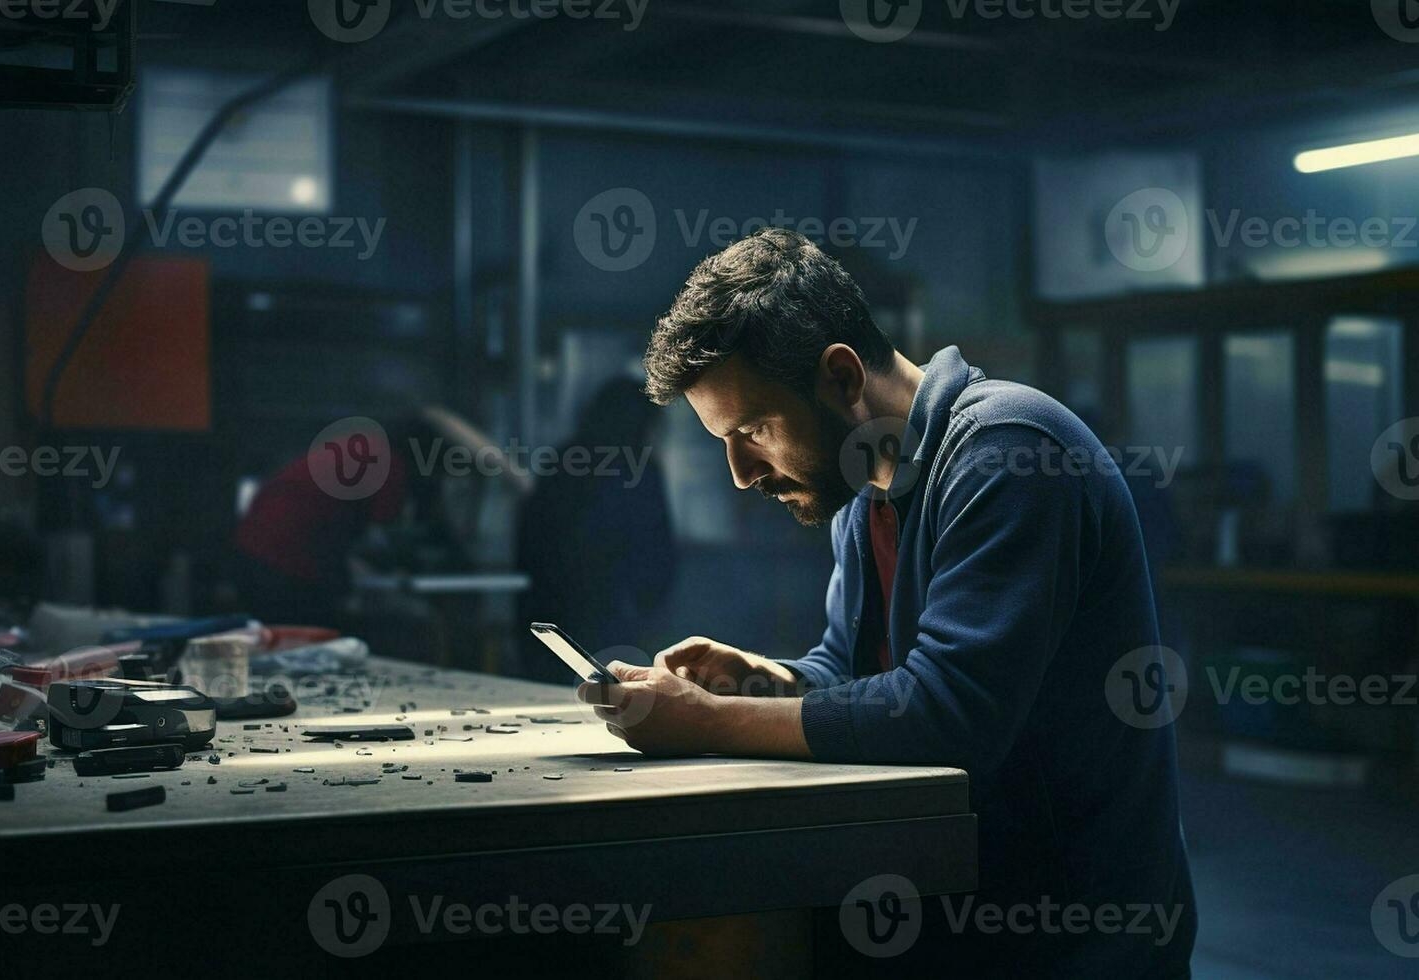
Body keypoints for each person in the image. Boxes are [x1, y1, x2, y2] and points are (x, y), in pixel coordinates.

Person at [579, 228, 1196, 976]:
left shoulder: (1008, 453)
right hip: (946, 902)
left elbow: (949, 712)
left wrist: (707, 722)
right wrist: (769, 679)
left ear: (841, 379)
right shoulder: (862, 495)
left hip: (1066, 939)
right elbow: (853, 672)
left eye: (754, 430)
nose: (742, 473)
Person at [232, 406, 528, 627]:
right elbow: (381, 536)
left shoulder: (369, 451)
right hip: (282, 564)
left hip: (258, 552)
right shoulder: (387, 466)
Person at [517, 377, 676, 682]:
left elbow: (529, 544)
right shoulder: (638, 468)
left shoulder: (563, 460)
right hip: (613, 618)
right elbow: (656, 555)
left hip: (548, 617)